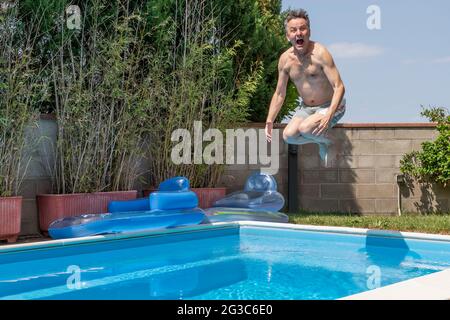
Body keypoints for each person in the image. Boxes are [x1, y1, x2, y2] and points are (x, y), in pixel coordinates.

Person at [265, 9, 346, 166]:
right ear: (287, 36)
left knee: (306, 127)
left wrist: (329, 114)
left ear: (309, 31)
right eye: (293, 30)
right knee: (288, 136)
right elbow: (280, 93)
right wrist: (270, 119)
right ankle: (322, 141)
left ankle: (331, 141)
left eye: (302, 28)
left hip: (332, 106)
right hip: (308, 108)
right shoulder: (285, 60)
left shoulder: (321, 54)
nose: (298, 33)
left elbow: (339, 86)